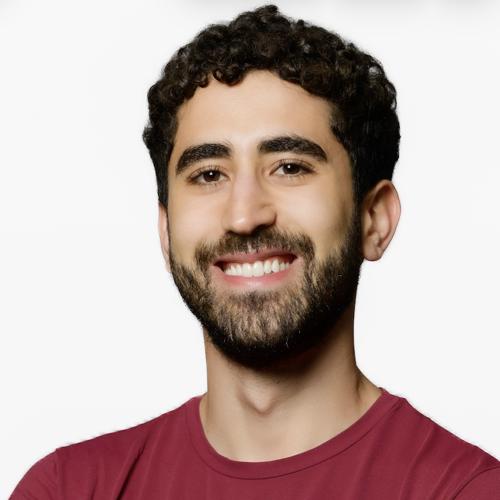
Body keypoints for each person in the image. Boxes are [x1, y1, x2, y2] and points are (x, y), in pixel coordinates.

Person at [10, 4, 499, 499]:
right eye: (208, 175)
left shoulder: (465, 490)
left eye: (289, 167)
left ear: (374, 219)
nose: (244, 216)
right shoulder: (67, 489)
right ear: (166, 230)